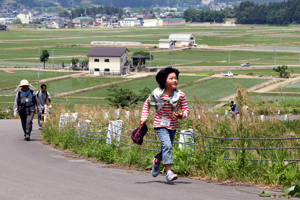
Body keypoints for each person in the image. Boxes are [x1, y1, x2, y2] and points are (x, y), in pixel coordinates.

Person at [140, 67, 189, 182]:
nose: (175, 80)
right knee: (167, 146)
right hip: (160, 124)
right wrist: (144, 117)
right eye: (171, 78)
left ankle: (157, 160)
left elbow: (186, 109)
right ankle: (168, 172)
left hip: (173, 125)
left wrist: (181, 115)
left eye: (176, 78)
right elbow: (147, 104)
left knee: (167, 147)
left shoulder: (180, 95)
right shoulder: (156, 94)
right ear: (163, 81)